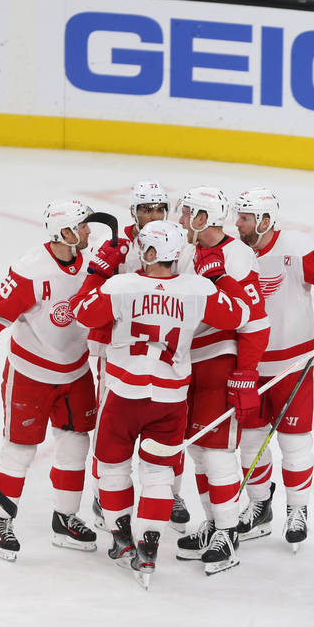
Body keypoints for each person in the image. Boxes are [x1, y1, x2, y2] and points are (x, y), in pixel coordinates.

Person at [72, 220, 255, 584]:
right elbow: (242, 314)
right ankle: (150, 547)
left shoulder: (120, 285)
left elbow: (81, 313)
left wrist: (95, 272)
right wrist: (219, 277)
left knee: (111, 468)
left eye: (145, 246)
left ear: (153, 252)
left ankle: (122, 539)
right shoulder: (198, 288)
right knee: (158, 473)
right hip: (171, 401)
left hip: (125, 396)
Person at [0, 199, 99, 561]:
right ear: (64, 232)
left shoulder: (93, 262)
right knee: (20, 450)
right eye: (82, 226)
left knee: (76, 444)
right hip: (31, 374)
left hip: (76, 370)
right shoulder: (32, 270)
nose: (88, 231)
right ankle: (0, 521)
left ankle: (65, 519)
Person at [232, 188, 314, 550]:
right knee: (250, 443)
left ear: (264, 220)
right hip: (249, 366)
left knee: (295, 443)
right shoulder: (234, 253)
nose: (237, 224)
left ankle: (298, 509)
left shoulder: (296, 247)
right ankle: (259, 505)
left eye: (244, 218)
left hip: (293, 365)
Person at [171, 187, 271, 574]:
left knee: (216, 452)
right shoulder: (187, 250)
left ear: (205, 218)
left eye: (188, 214)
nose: (181, 220)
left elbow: (255, 320)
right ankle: (214, 521)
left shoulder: (237, 255)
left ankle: (227, 535)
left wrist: (245, 372)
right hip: (188, 360)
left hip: (219, 359)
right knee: (197, 449)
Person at [88, 180, 195, 534]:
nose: (153, 215)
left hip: (166, 354)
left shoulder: (177, 242)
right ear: (133, 211)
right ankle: (104, 494)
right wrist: (100, 269)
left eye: (159, 208)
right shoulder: (116, 247)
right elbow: (90, 302)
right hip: (119, 354)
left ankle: (172, 494)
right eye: (146, 208)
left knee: (167, 432)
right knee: (110, 428)